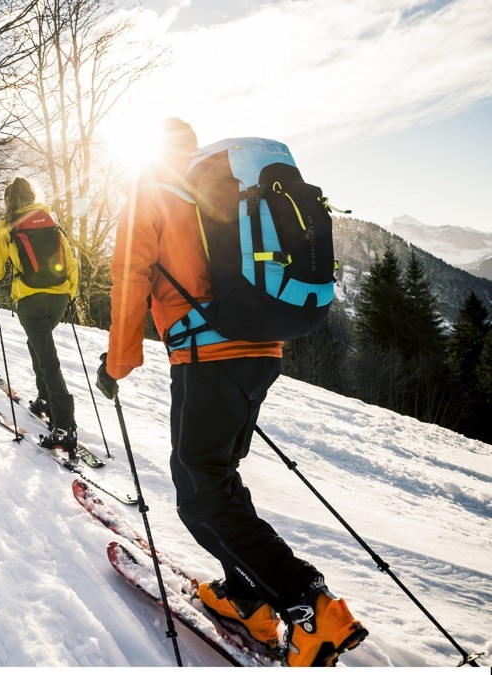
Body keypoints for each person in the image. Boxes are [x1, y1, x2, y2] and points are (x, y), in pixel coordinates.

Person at [95, 118, 367, 667]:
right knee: (217, 479)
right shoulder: (219, 191)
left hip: (207, 356)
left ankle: (310, 605)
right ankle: (246, 599)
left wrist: (119, 360)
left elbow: (129, 278)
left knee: (200, 494)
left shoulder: (151, 194)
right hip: (263, 349)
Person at [0, 177, 80, 462]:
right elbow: (71, 261)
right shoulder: (48, 221)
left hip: (30, 300)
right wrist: (70, 294)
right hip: (60, 297)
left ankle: (65, 425)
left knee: (47, 358)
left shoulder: (6, 226)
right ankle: (45, 400)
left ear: (8, 201)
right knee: (38, 347)